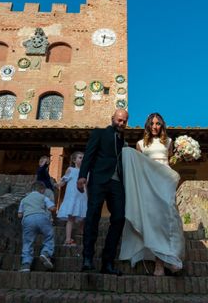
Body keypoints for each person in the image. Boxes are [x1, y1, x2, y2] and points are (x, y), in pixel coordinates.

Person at [119, 112, 185, 276]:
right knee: (153, 221)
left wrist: (184, 155)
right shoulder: (140, 144)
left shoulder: (169, 142)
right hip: (148, 185)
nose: (155, 126)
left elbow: (169, 162)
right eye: (152, 124)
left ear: (162, 125)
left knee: (167, 219)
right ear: (148, 126)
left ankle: (166, 259)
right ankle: (158, 263)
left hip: (164, 183)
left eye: (158, 124)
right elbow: (139, 167)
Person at [77, 109, 129, 276]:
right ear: (112, 119)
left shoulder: (124, 141)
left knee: (120, 218)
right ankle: (87, 259)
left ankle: (107, 262)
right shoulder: (99, 133)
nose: (121, 123)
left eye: (124, 121)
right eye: (119, 120)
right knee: (92, 216)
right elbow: (88, 156)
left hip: (117, 184)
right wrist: (82, 176)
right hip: (99, 180)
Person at [17, 181, 57, 272]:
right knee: (49, 235)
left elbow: (19, 215)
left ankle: (26, 264)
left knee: (27, 242)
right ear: (42, 190)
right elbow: (52, 208)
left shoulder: (24, 199)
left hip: (28, 220)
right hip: (42, 218)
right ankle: (46, 253)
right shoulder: (43, 197)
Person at [56, 151, 87, 246]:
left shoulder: (86, 172)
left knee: (84, 216)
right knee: (71, 218)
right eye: (80, 157)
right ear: (74, 160)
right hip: (72, 197)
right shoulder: (71, 170)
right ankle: (68, 239)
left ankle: (81, 232)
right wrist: (56, 184)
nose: (82, 159)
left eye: (83, 158)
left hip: (83, 197)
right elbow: (63, 181)